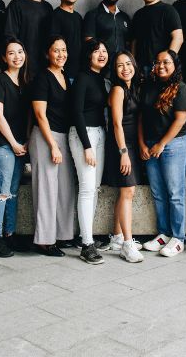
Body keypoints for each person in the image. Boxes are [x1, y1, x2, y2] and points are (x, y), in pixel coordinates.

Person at [139, 49, 186, 257]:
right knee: (158, 192)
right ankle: (164, 233)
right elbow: (141, 117)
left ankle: (178, 238)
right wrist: (142, 144)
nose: (161, 66)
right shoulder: (149, 86)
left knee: (175, 193)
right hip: (151, 144)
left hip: (174, 144)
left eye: (166, 62)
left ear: (175, 65)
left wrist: (161, 144)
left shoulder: (181, 88)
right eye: (158, 62)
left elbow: (180, 120)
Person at [29, 36, 76, 256]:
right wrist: (53, 146)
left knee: (65, 188)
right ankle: (44, 241)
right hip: (45, 138)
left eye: (64, 50)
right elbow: (40, 115)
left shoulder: (65, 75)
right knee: (46, 189)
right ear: (47, 53)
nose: (61, 54)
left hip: (64, 136)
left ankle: (63, 235)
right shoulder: (42, 78)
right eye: (56, 50)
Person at [0, 37, 31, 258]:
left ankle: (9, 234)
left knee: (13, 191)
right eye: (11, 53)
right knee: (3, 191)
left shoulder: (25, 82)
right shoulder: (0, 80)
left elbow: (31, 115)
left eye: (20, 51)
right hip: (3, 144)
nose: (17, 56)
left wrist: (26, 141)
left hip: (21, 144)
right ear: (4, 58)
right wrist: (13, 142)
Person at [68, 39, 110, 264]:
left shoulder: (101, 79)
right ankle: (86, 245)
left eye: (104, 50)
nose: (101, 54)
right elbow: (76, 112)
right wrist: (87, 146)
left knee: (94, 188)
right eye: (96, 51)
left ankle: (87, 237)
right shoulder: (82, 78)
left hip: (99, 134)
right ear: (88, 55)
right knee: (86, 189)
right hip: (83, 135)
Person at [103, 51, 144, 263]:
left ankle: (117, 237)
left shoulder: (132, 88)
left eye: (128, 63)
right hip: (121, 146)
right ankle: (127, 244)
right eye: (120, 65)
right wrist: (123, 153)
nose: (125, 68)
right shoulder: (118, 89)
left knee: (126, 191)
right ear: (115, 70)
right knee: (128, 191)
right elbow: (116, 124)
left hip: (131, 145)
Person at [6, 0, 54, 79]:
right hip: (23, 65)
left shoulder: (48, 7)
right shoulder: (16, 4)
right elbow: (10, 35)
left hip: (45, 65)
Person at [132, 0, 183, 73]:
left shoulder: (168, 10)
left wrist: (166, 62)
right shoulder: (138, 14)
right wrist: (133, 64)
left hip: (161, 68)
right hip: (141, 69)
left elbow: (178, 38)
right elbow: (134, 42)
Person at [83, 0, 132, 65]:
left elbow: (129, 44)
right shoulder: (92, 15)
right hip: (102, 67)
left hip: (121, 67)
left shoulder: (124, 17)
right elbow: (89, 43)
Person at [49, 0, 84, 80]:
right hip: (63, 72)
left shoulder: (78, 17)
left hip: (79, 71)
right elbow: (52, 45)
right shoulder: (54, 16)